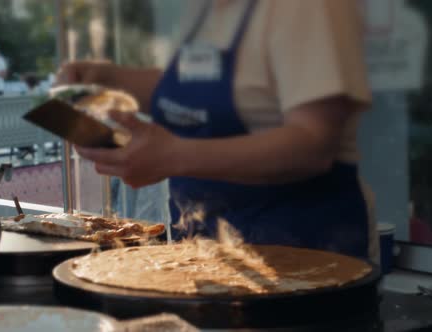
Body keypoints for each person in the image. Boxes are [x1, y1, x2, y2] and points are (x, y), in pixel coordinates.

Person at [57, 0, 376, 260]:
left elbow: (314, 144)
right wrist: (106, 79)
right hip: (208, 252)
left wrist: (173, 157)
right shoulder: (206, 9)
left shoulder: (310, 7)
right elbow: (190, 91)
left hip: (305, 255)